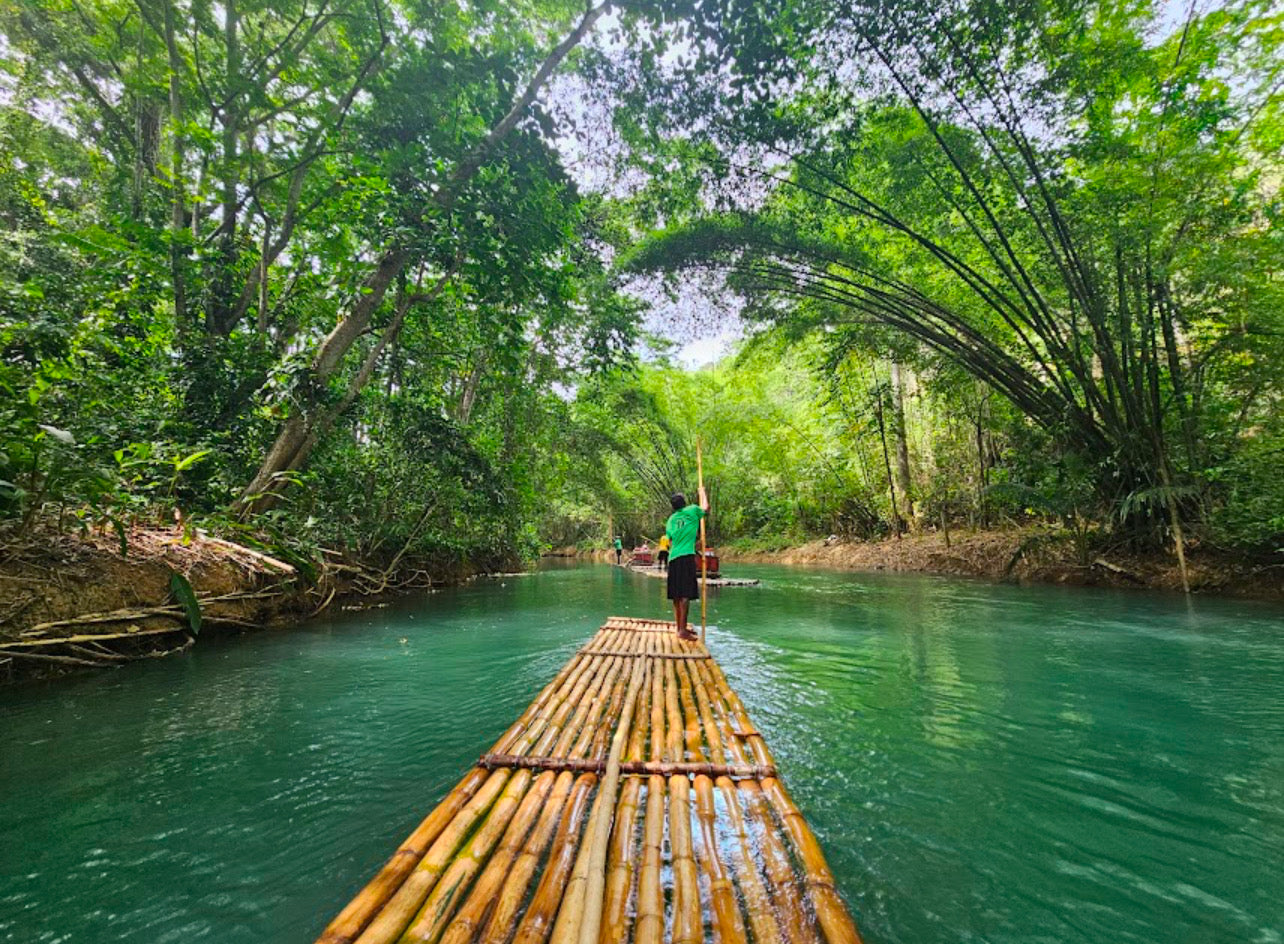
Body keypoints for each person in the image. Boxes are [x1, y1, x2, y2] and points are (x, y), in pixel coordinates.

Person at [665, 487, 708, 640]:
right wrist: (702, 492)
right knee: (685, 595)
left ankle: (679, 628)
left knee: (676, 595)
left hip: (673, 558)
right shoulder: (692, 511)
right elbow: (705, 508)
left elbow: (670, 541)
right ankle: (682, 630)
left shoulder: (671, 519)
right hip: (685, 558)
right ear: (684, 503)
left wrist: (692, 545)